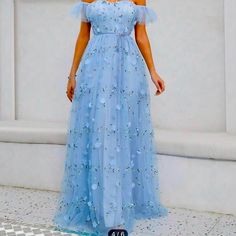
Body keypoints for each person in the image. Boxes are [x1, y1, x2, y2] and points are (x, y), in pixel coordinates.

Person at [53, 0, 168, 235]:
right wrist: (72, 74)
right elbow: (83, 36)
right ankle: (108, 213)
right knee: (100, 134)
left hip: (128, 70)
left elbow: (141, 35)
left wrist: (153, 70)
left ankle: (118, 212)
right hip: (95, 70)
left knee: (122, 136)